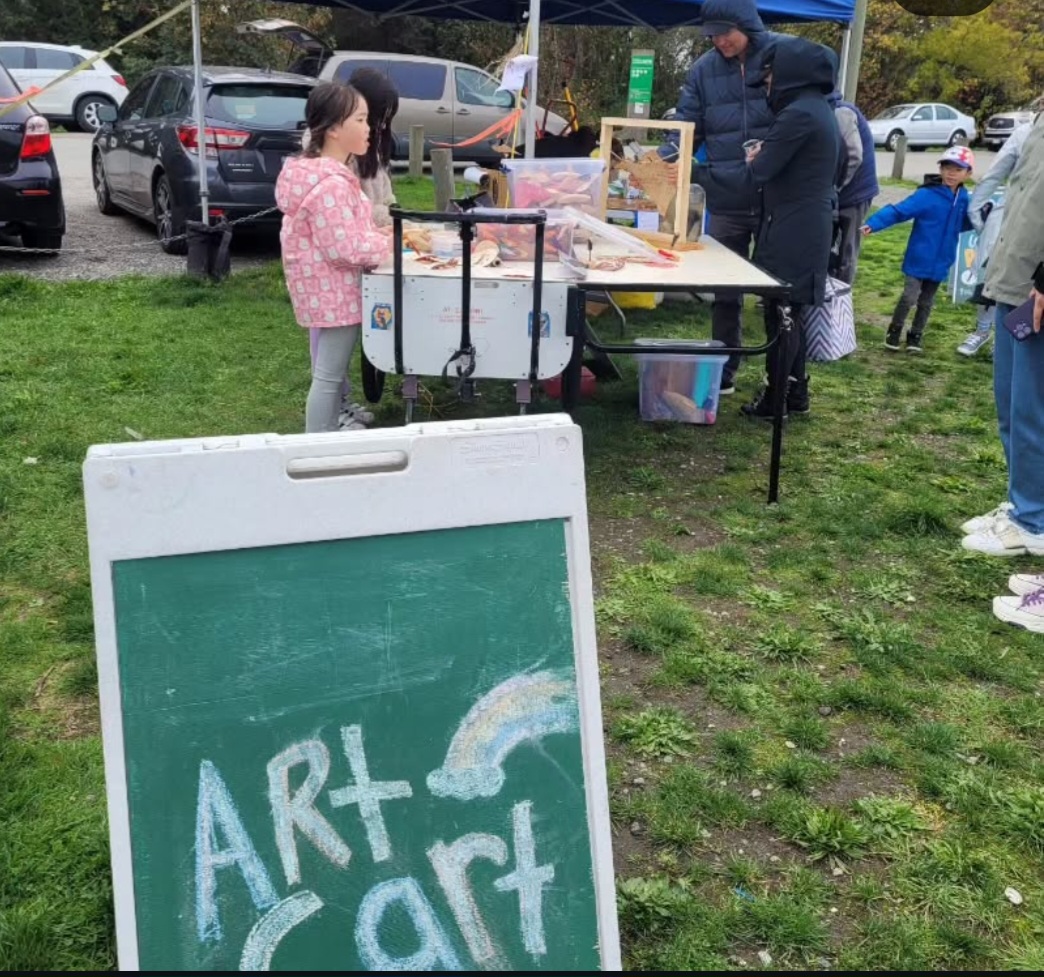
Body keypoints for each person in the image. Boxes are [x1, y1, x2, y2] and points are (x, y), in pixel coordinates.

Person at [659, 0, 782, 395]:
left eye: (725, 32)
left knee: (778, 290)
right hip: (727, 195)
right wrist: (660, 164)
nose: (719, 41)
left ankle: (781, 377)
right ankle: (725, 370)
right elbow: (685, 126)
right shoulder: (703, 70)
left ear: (746, 24)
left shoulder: (782, 56)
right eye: (711, 35)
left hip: (777, 197)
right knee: (726, 290)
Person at [959, 110, 1044, 597]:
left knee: (1032, 409)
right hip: (1015, 279)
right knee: (1011, 405)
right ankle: (1022, 504)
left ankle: (1033, 521)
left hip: (1038, 288)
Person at [733, 36, 840, 420]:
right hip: (805, 223)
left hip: (795, 228)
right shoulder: (819, 109)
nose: (766, 89)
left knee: (781, 315)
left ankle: (776, 398)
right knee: (792, 312)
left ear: (788, 76)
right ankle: (795, 393)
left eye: (768, 81)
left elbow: (760, 170)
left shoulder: (799, 114)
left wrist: (752, 158)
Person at [276, 83, 391, 434]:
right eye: (361, 119)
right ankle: (318, 445)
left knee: (328, 375)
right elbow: (345, 248)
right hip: (335, 294)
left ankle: (322, 440)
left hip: (327, 291)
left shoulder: (325, 175)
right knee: (328, 377)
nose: (369, 128)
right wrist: (390, 246)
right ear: (334, 129)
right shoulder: (332, 184)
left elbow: (345, 232)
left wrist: (378, 235)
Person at [862, 145, 974, 353]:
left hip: (942, 260)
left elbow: (966, 223)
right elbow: (900, 211)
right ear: (940, 170)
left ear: (968, 173)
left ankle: (915, 335)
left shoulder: (964, 200)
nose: (951, 173)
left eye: (958, 169)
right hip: (919, 257)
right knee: (909, 297)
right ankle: (894, 330)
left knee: (926, 302)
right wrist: (874, 223)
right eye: (947, 168)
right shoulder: (926, 195)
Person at [956, 122, 1033, 357]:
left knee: (1030, 283)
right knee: (992, 274)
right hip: (1012, 214)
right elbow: (994, 175)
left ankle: (1015, 337)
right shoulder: (1024, 133)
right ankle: (983, 331)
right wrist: (977, 213)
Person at [828, 91, 879, 286]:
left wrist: (836, 186)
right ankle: (826, 290)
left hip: (855, 192)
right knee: (828, 245)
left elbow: (853, 156)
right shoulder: (826, 110)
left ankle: (842, 295)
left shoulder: (841, 112)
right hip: (836, 192)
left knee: (847, 250)